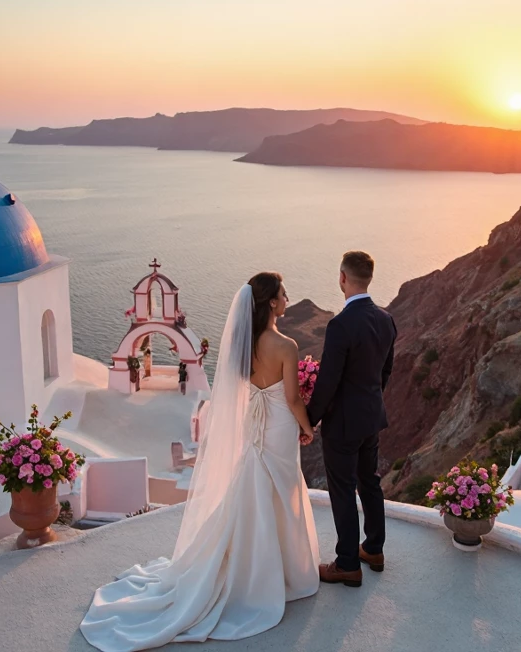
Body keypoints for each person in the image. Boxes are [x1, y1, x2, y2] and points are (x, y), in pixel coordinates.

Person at [80, 273, 318, 652]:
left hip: (254, 423)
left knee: (252, 484)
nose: (288, 298)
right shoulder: (286, 346)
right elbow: (291, 399)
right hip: (278, 426)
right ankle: (286, 570)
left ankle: (247, 564)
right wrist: (308, 427)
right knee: (283, 490)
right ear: (272, 302)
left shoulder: (243, 343)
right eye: (284, 294)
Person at [307, 251, 397, 587]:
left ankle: (346, 563)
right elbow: (385, 371)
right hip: (371, 417)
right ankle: (373, 549)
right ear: (369, 278)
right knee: (369, 481)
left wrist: (309, 419)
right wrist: (369, 402)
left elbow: (328, 382)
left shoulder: (341, 324)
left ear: (342, 278)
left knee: (343, 489)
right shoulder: (386, 319)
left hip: (343, 424)